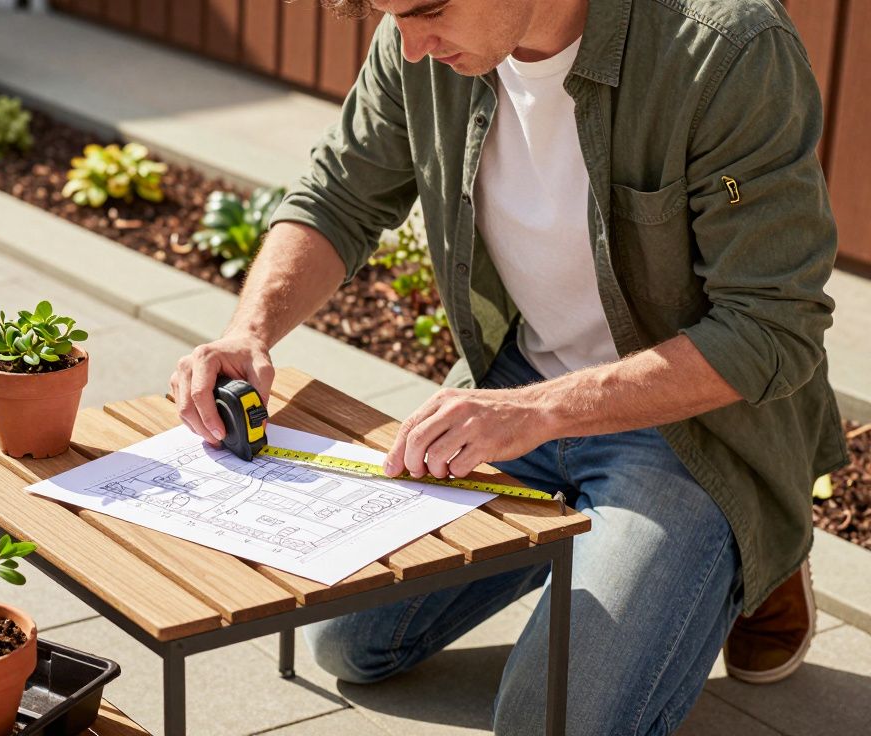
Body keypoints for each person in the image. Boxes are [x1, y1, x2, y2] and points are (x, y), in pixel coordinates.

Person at [167, 0, 847, 732]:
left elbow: (769, 326)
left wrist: (537, 414)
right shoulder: (421, 44)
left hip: (686, 430)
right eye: (391, 14)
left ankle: (758, 543)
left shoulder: (726, 49)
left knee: (547, 722)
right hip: (514, 387)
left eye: (426, 11)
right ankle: (614, 540)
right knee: (345, 641)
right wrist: (248, 331)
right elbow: (338, 194)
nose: (412, 45)